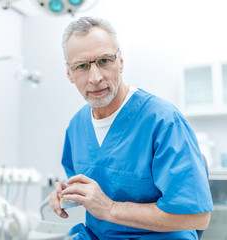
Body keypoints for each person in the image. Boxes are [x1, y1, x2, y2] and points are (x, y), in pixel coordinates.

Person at [48, 16, 213, 240]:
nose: (95, 78)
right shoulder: (77, 127)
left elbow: (197, 217)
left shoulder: (163, 122)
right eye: (82, 66)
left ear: (121, 62)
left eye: (104, 61)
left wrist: (110, 208)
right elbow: (94, 185)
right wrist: (66, 196)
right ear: (69, 73)